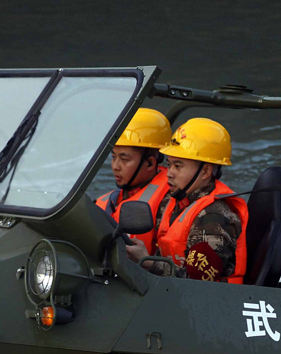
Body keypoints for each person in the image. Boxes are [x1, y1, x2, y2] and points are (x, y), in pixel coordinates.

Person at [125, 118, 248, 283]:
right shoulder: (173, 201)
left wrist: (148, 262)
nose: (169, 173)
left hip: (207, 303)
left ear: (205, 171)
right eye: (169, 165)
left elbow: (198, 284)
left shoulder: (213, 216)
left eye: (178, 166)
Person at [95, 108, 172, 254]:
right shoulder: (113, 198)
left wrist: (147, 262)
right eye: (113, 157)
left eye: (124, 159)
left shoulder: (169, 202)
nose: (115, 166)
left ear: (150, 163)